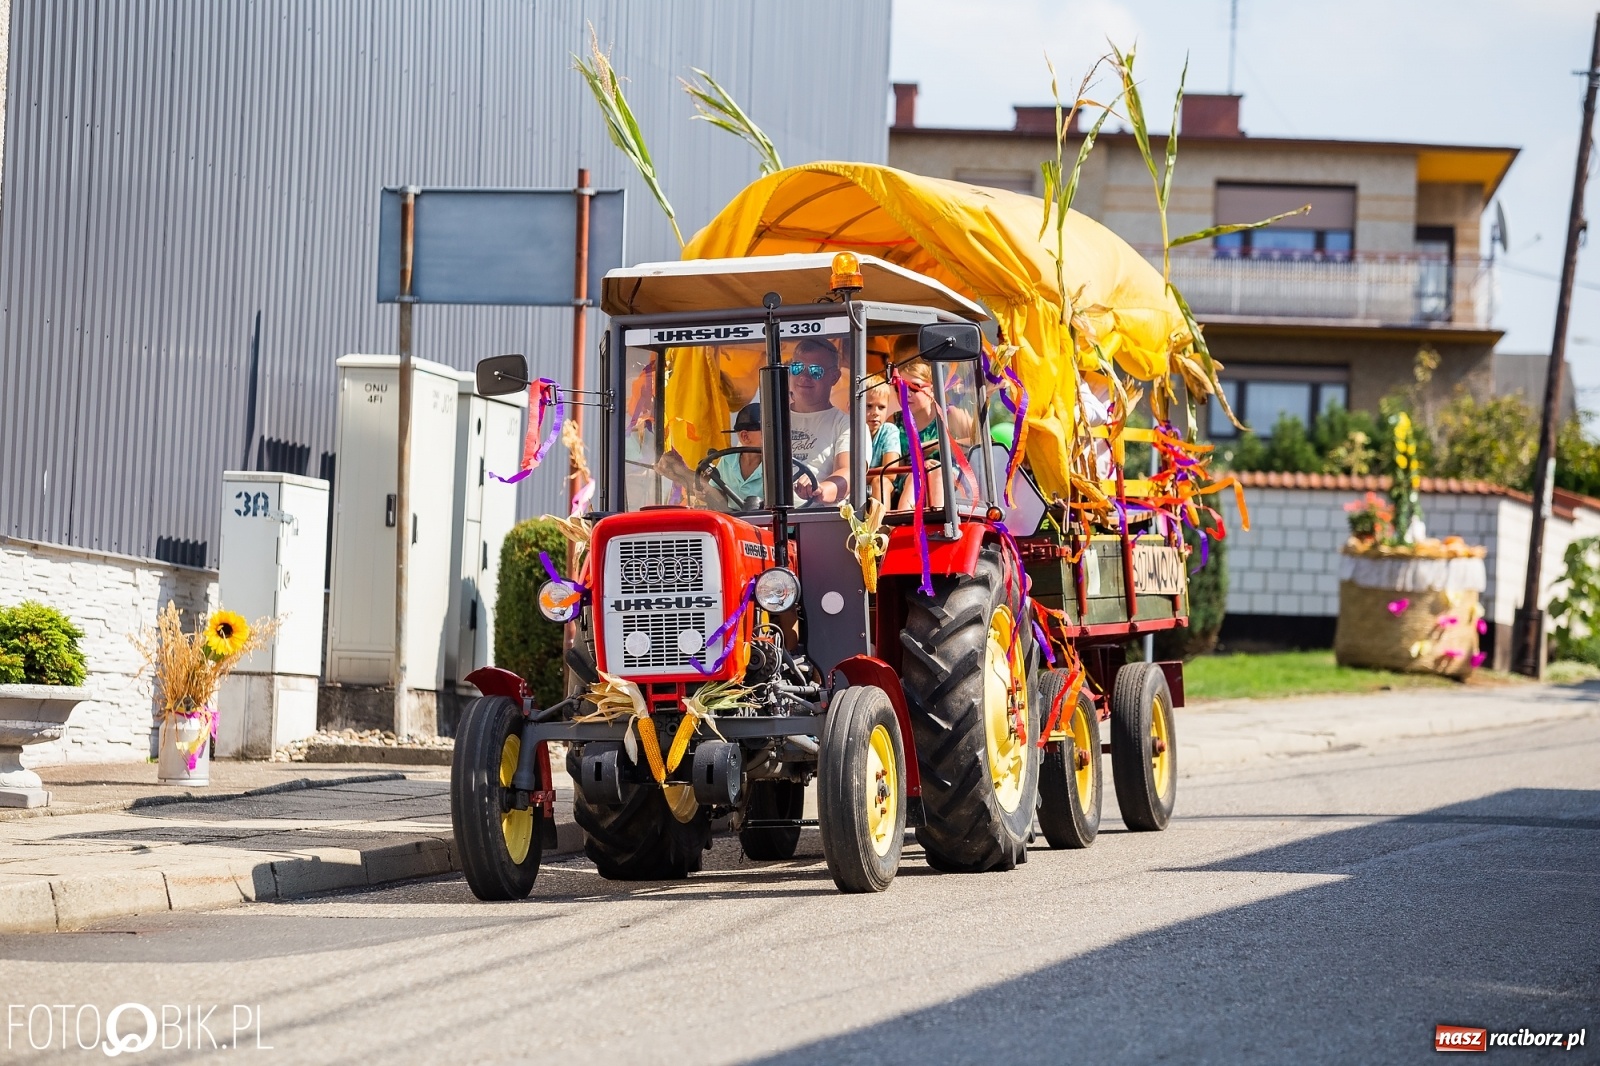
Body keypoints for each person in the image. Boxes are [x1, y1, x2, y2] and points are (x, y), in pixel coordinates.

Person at [786, 337, 851, 504]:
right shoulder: (769, 420)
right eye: (797, 368)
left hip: (819, 516)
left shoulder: (847, 425)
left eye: (815, 371)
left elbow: (849, 472)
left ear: (834, 377)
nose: (804, 376)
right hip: (764, 514)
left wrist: (821, 489)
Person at [710, 402, 765, 509]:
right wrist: (705, 491)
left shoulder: (778, 463)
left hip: (769, 518)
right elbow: (717, 492)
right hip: (733, 518)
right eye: (767, 431)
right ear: (745, 437)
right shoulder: (727, 459)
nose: (775, 436)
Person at [863, 377, 902, 502]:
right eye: (869, 406)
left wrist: (856, 477)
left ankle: (880, 515)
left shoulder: (889, 430)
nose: (875, 412)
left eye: (881, 407)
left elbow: (890, 472)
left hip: (882, 488)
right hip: (851, 489)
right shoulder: (848, 431)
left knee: (880, 481)